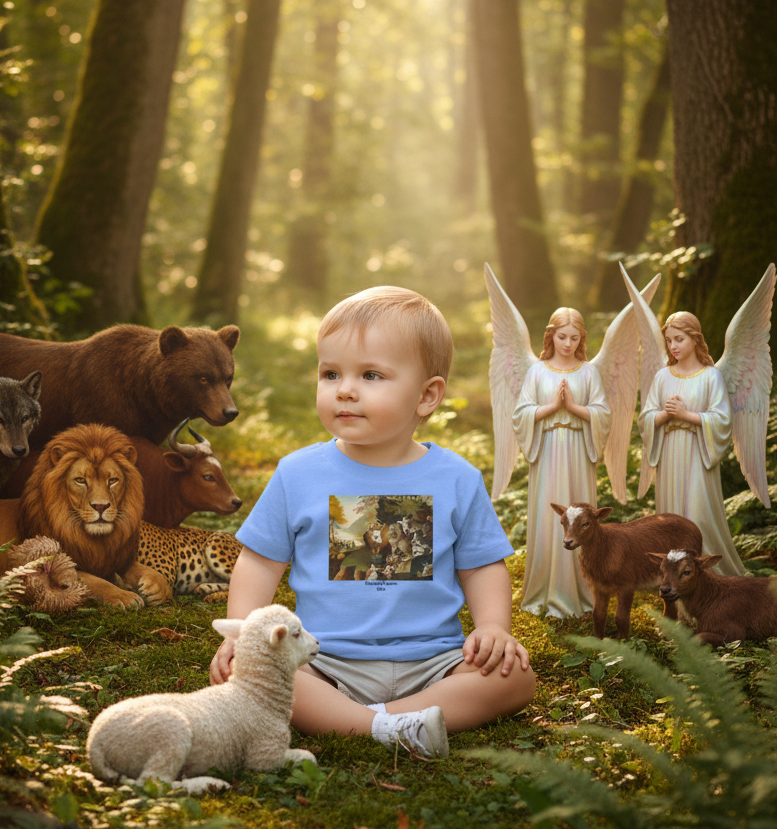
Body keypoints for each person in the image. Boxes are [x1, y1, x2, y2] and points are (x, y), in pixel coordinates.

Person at [209, 285, 535, 759]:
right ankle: (388, 727)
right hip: (325, 661)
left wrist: (493, 627)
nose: (344, 388)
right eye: (330, 373)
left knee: (515, 678)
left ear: (427, 396)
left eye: (371, 375)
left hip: (434, 661)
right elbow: (259, 563)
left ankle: (387, 718)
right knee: (258, 675)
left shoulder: (457, 478)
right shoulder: (298, 473)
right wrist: (243, 634)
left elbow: (482, 565)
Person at [511, 308, 611, 617]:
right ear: (551, 335)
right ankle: (547, 587)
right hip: (548, 450)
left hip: (579, 449)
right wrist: (553, 406)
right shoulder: (537, 372)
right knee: (549, 512)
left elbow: (603, 414)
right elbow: (520, 414)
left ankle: (583, 589)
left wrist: (575, 408)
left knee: (580, 515)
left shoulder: (589, 372)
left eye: (574, 338)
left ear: (582, 339)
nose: (567, 343)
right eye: (561, 336)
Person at [638, 311, 745, 576]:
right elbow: (645, 418)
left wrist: (686, 415)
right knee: (672, 518)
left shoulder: (711, 376)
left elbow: (722, 420)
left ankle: (705, 575)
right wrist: (664, 415)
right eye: (669, 340)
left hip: (698, 453)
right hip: (670, 453)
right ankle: (674, 575)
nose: (673, 346)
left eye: (679, 339)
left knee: (698, 512)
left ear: (695, 339)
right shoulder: (663, 377)